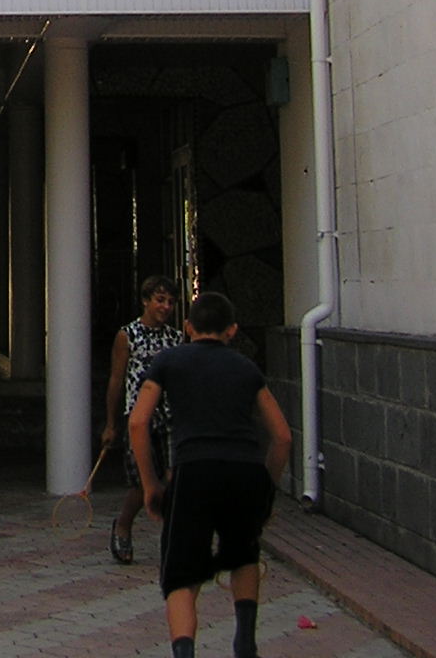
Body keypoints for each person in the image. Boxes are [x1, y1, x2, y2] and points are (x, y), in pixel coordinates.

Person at [129, 290, 292, 658]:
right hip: (244, 470)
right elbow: (282, 437)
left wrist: (151, 484)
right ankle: (245, 640)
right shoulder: (247, 369)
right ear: (232, 330)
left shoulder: (168, 361)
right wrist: (267, 489)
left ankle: (185, 652)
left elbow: (138, 422)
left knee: (181, 573)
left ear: (188, 327)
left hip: (193, 471)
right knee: (244, 553)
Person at [100, 273, 182, 563]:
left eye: (170, 301)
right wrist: (111, 423)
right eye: (160, 300)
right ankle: (123, 524)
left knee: (174, 477)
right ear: (146, 301)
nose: (165, 307)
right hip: (139, 417)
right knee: (140, 482)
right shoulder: (127, 335)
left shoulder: (175, 338)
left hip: (170, 415)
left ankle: (173, 538)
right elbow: (116, 379)